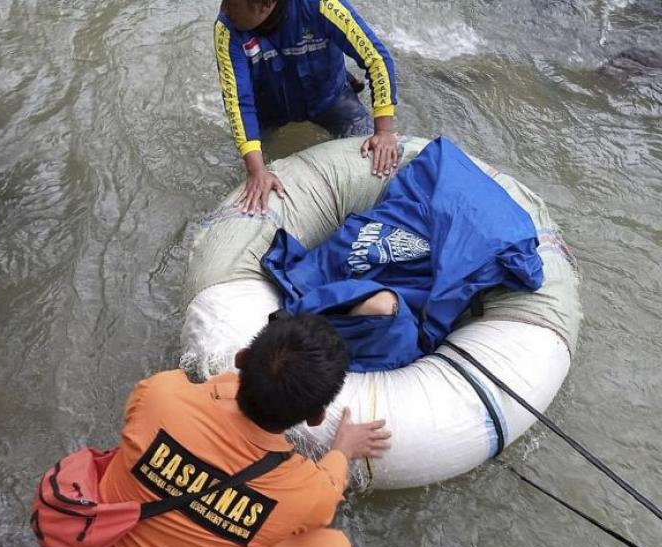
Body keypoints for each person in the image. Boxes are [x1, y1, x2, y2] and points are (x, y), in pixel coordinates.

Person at [70, 313, 391, 547]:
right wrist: (342, 450)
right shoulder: (304, 490)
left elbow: (195, 400)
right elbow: (327, 494)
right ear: (317, 418)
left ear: (240, 358)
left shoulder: (160, 395)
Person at [262, 137, 545, 372]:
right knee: (380, 302)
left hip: (376, 278)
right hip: (368, 271)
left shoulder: (476, 247)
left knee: (381, 304)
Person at [214, 0, 398, 216]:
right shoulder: (226, 29)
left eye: (231, 3)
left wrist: (384, 131)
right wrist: (256, 170)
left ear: (265, 4)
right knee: (242, 176)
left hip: (330, 99)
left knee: (377, 161)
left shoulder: (321, 6)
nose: (223, 9)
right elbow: (238, 101)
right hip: (267, 109)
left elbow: (376, 59)